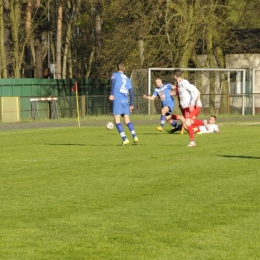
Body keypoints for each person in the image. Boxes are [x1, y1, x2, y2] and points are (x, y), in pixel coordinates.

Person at [109, 62, 138, 146]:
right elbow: (131, 92)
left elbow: (113, 84)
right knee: (127, 121)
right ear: (124, 69)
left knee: (117, 120)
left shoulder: (115, 75)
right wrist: (131, 104)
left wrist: (111, 94)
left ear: (116, 68)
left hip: (117, 99)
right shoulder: (127, 78)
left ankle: (124, 139)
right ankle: (135, 136)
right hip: (126, 101)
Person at [173, 69, 202, 147]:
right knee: (189, 122)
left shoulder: (184, 83)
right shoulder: (179, 84)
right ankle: (204, 123)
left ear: (175, 76)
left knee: (187, 122)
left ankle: (192, 142)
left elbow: (196, 91)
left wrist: (192, 103)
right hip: (185, 107)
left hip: (190, 106)